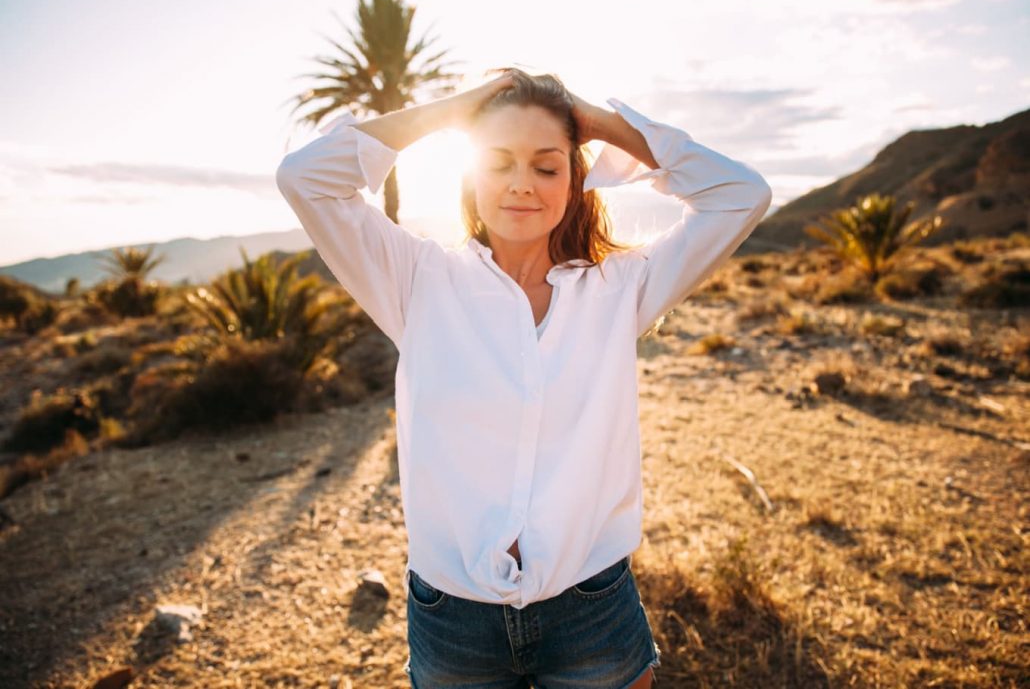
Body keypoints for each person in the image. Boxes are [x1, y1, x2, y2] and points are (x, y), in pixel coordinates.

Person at [276, 68, 772, 689]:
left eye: (546, 166)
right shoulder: (415, 280)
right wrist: (458, 111)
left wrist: (596, 122)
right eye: (498, 161)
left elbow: (741, 194)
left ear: (574, 181)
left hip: (592, 607)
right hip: (453, 619)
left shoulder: (621, 288)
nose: (521, 185)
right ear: (470, 173)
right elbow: (304, 177)